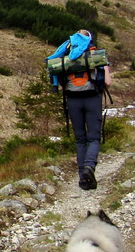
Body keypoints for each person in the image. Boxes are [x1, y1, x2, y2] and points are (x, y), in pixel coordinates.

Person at [46, 30, 112, 190]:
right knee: (94, 138)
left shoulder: (65, 54)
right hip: (93, 99)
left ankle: (83, 177)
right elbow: (108, 82)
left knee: (80, 139)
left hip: (73, 100)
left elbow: (59, 78)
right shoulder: (96, 54)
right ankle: (90, 167)